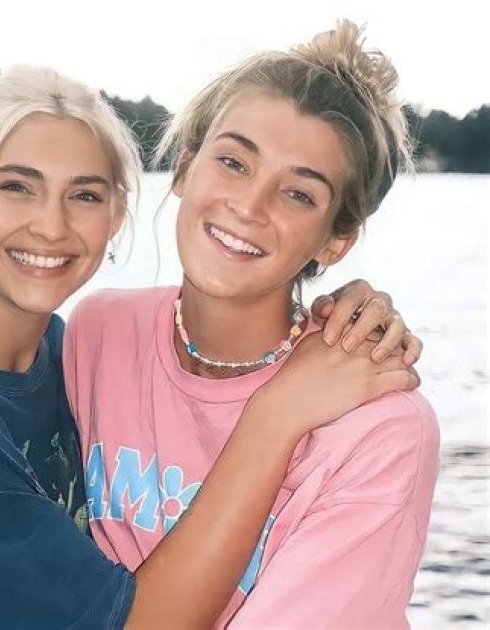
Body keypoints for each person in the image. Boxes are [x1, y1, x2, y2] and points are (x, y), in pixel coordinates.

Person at [0, 63, 421, 629]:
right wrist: (276, 415)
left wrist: (349, 313)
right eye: (16, 185)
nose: (50, 225)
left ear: (116, 215)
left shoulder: (74, 348)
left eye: (85, 195)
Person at [64, 20, 440, 628]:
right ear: (184, 168)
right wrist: (275, 413)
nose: (249, 205)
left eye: (299, 194)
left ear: (336, 241)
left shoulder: (380, 427)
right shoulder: (98, 334)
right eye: (234, 162)